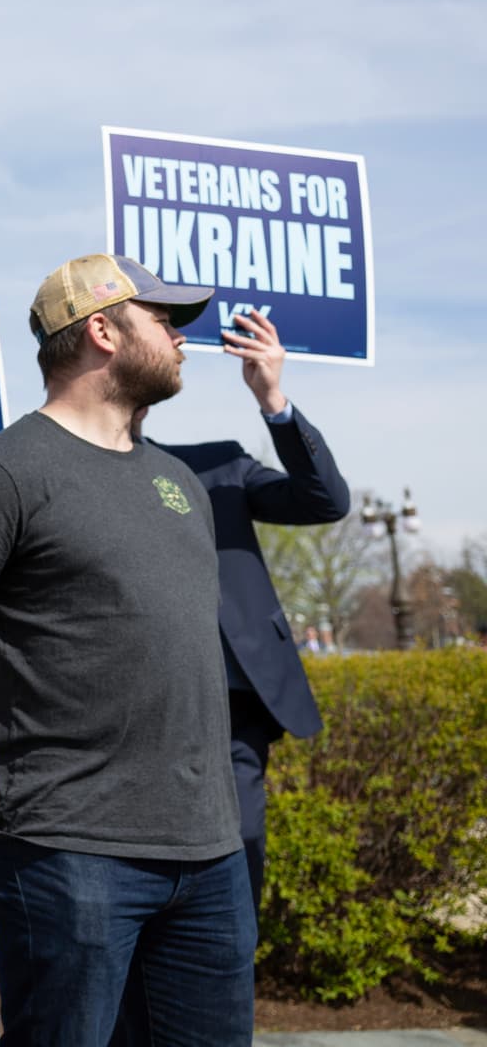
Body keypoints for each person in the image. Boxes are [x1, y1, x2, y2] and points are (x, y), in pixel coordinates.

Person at [0, 253, 254, 1045]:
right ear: (103, 330)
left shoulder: (181, 482)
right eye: (165, 320)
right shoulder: (2, 473)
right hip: (65, 852)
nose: (185, 338)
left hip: (209, 854)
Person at [142, 309, 349, 912]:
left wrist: (273, 399)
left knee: (240, 852)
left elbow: (324, 500)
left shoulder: (221, 464)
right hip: (142, 709)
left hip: (237, 707)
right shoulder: (69, 471)